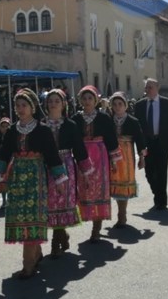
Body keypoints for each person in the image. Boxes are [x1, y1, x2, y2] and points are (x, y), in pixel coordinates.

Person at [0, 88, 67, 279]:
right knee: (22, 218)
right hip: (17, 179)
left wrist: (59, 180)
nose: (20, 109)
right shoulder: (12, 131)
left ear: (33, 107)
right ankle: (36, 253)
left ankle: (28, 265)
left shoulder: (43, 130)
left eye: (24, 105)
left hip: (35, 179)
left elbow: (52, 156)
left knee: (33, 215)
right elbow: (3, 153)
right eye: (17, 105)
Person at [43, 89, 93, 257]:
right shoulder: (41, 125)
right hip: (46, 166)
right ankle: (61, 235)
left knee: (62, 202)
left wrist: (86, 173)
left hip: (66, 165)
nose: (53, 104)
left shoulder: (70, 125)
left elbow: (79, 149)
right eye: (50, 101)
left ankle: (55, 242)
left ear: (64, 104)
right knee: (50, 203)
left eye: (57, 101)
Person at [72, 86, 122, 242]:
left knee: (99, 189)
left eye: (90, 98)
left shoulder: (104, 118)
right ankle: (89, 217)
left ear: (96, 101)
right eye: (84, 98)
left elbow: (111, 139)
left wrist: (114, 160)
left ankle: (97, 226)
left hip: (100, 156)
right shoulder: (76, 119)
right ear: (80, 101)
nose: (87, 101)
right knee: (85, 189)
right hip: (82, 156)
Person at [133, 78, 168, 211]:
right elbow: (136, 127)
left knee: (162, 172)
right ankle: (157, 192)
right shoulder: (139, 105)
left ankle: (161, 201)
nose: (147, 90)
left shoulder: (167, 103)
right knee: (149, 172)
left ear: (157, 88)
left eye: (150, 87)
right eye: (146, 87)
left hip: (162, 142)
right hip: (147, 144)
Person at [109, 92, 146, 228]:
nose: (117, 107)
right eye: (115, 104)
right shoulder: (109, 120)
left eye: (120, 104)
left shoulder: (132, 121)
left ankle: (122, 214)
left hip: (126, 156)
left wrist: (142, 157)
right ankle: (118, 213)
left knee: (124, 183)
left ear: (125, 106)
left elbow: (140, 140)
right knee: (113, 182)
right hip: (111, 155)